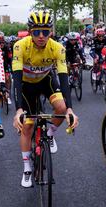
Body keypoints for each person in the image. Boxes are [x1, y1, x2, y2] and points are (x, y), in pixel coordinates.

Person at [11, 10, 79, 188]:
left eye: (45, 32)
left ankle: (49, 134)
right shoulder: (20, 46)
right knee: (28, 125)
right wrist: (18, 109)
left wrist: (70, 109)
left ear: (51, 32)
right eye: (36, 32)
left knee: (62, 108)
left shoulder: (58, 48)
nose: (41, 36)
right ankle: (27, 168)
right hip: (26, 85)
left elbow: (64, 79)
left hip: (46, 80)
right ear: (29, 31)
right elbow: (16, 79)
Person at [0, 31, 13, 104]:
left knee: (8, 79)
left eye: (3, 42)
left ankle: (7, 95)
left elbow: (10, 59)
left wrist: (11, 68)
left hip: (4, 66)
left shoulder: (7, 48)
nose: (1, 44)